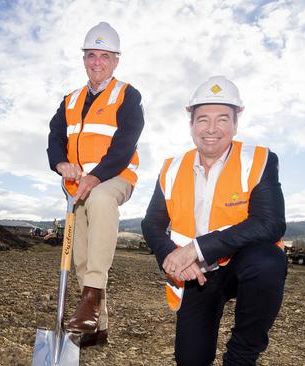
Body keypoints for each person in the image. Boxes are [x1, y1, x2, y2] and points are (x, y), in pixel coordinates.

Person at [141, 76, 287, 365]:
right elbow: (151, 223)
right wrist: (171, 256)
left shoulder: (259, 160)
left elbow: (270, 223)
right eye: (202, 119)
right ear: (191, 124)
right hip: (197, 276)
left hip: (242, 263)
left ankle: (241, 356)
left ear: (236, 123)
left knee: (268, 260)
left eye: (222, 119)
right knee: (190, 359)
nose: (211, 129)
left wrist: (195, 249)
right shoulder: (172, 168)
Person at [47, 21, 144, 347]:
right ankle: (96, 328)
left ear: (116, 60)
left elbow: (125, 144)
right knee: (80, 257)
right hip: (78, 187)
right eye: (91, 55)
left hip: (115, 178)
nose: (97, 61)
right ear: (84, 58)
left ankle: (90, 298)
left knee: (101, 198)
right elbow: (55, 138)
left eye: (104, 55)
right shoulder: (70, 100)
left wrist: (95, 176)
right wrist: (61, 164)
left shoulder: (128, 95)